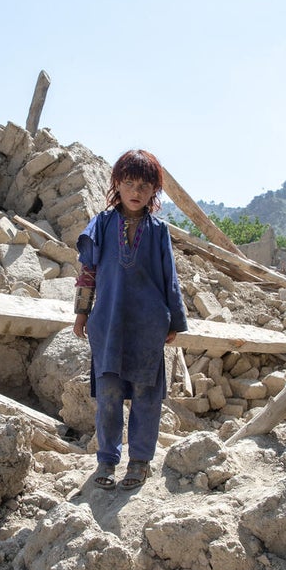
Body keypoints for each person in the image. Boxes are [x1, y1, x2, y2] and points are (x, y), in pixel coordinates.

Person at [73, 149, 188, 490]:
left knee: (145, 395)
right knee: (108, 395)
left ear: (155, 190)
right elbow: (88, 272)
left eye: (144, 184)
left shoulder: (158, 230)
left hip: (148, 325)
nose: (136, 191)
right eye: (128, 183)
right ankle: (107, 460)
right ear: (117, 185)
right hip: (107, 323)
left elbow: (170, 278)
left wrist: (174, 322)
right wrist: (81, 313)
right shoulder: (102, 224)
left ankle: (139, 462)